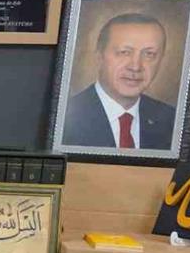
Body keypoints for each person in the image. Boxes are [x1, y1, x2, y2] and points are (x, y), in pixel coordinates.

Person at [63, 12, 176, 150]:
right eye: (124, 52)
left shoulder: (172, 121)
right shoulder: (65, 118)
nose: (135, 67)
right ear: (99, 56)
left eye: (149, 54)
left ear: (161, 61)